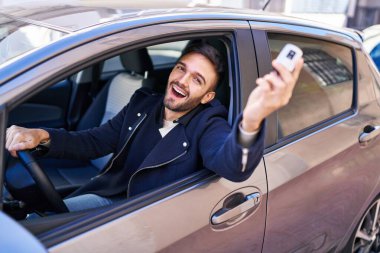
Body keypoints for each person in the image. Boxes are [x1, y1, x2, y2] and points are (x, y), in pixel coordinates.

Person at [6, 42, 303, 212]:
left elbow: (233, 165)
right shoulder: (143, 103)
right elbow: (94, 142)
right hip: (108, 201)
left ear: (208, 96)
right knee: (35, 222)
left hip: (144, 223)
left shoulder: (209, 124)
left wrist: (252, 119)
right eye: (181, 68)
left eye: (197, 80)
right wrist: (40, 136)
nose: (182, 81)